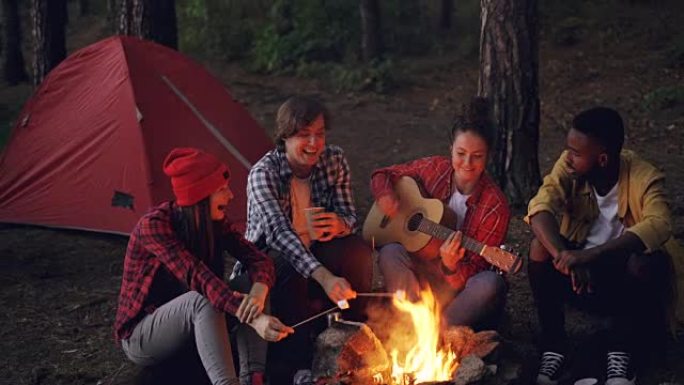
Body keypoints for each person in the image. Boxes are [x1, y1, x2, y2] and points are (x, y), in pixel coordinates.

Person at [526, 107, 683, 385]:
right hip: (581, 277)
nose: (568, 157)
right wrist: (566, 257)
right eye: (568, 149)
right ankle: (554, 344)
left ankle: (622, 353)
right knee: (539, 247)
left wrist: (590, 255)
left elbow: (660, 224)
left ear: (602, 159)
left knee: (645, 260)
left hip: (625, 282)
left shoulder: (643, 177)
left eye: (576, 152)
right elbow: (540, 206)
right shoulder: (569, 165)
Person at [113, 148, 293, 385]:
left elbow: (259, 259)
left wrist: (258, 292)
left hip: (198, 320)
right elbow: (198, 278)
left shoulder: (213, 222)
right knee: (202, 298)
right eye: (221, 190)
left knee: (249, 284)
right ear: (199, 198)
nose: (230, 196)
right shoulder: (154, 227)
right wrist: (254, 319)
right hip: (143, 334)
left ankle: (253, 378)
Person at [238, 96, 373, 384]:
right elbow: (281, 236)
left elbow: (350, 214)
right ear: (285, 136)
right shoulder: (264, 174)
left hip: (317, 249)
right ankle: (298, 364)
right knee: (287, 260)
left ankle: (356, 334)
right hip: (268, 262)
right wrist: (325, 278)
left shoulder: (333, 160)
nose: (314, 143)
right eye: (304, 135)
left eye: (320, 134)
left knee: (358, 250)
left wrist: (340, 224)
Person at [370, 97, 511, 331]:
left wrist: (450, 266)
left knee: (490, 283)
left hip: (458, 291)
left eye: (477, 156)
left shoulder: (495, 207)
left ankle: (432, 331)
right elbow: (382, 174)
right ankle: (413, 320)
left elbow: (475, 272)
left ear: (488, 157)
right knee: (391, 252)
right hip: (417, 274)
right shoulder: (435, 168)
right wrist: (386, 195)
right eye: (460, 153)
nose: (467, 163)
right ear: (450, 150)